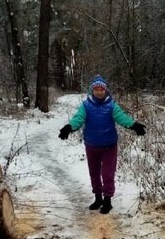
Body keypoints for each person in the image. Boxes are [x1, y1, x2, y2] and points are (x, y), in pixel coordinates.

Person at [58, 75, 146, 214]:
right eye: (97, 89)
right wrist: (69, 127)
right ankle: (98, 198)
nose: (99, 92)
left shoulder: (111, 105)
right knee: (94, 174)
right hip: (92, 145)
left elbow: (121, 117)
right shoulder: (86, 106)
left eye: (102, 89)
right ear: (92, 91)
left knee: (107, 174)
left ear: (105, 90)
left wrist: (133, 125)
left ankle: (107, 201)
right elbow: (78, 118)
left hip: (109, 146)